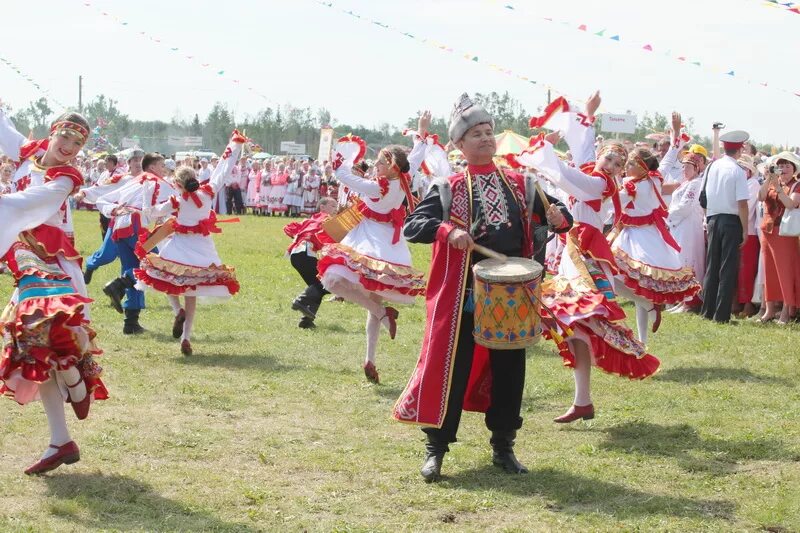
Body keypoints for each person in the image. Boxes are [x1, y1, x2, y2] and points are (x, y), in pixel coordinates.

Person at [393, 94, 571, 482]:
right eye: (477, 134)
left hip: (513, 293)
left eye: (489, 132)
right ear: (459, 144)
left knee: (510, 372)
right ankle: (436, 449)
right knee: (452, 370)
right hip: (464, 296)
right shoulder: (447, 187)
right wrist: (447, 229)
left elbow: (558, 215)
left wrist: (560, 217)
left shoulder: (522, 184)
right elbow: (413, 227)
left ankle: (504, 446)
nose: (487, 139)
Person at [509, 91, 660, 426]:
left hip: (586, 256)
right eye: (608, 158)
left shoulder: (600, 186)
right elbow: (579, 158)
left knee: (581, 319)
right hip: (572, 251)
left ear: (620, 172)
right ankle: (582, 402)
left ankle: (644, 314)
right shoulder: (593, 175)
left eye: (618, 164)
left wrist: (544, 152)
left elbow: (568, 175)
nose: (610, 165)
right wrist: (585, 118)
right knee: (574, 328)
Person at [0, 110, 108, 475]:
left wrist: (3, 206)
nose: (70, 148)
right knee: (35, 352)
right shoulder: (29, 152)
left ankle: (76, 377)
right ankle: (61, 440)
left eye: (78, 143)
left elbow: (34, 202)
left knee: (43, 337)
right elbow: (4, 129)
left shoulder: (66, 176)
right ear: (53, 133)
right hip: (28, 264)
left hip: (53, 266)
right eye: (66, 138)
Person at [319, 119, 431, 385]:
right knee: (372, 299)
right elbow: (417, 155)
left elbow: (343, 176)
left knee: (332, 279)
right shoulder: (406, 177)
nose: (375, 166)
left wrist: (341, 155)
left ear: (390, 166)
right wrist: (421, 133)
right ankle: (370, 358)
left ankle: (381, 316)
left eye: (379, 162)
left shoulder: (377, 186)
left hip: (367, 241)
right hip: (390, 247)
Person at [133, 131, 245, 355]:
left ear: (177, 183)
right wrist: (235, 145)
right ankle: (186, 337)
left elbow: (150, 214)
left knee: (163, 277)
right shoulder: (208, 193)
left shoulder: (176, 200)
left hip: (179, 246)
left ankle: (177, 311)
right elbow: (223, 169)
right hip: (203, 248)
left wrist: (146, 196)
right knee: (191, 291)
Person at [611, 137, 701, 342]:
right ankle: (642, 337)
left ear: (642, 168)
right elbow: (667, 161)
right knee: (638, 289)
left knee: (612, 277)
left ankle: (647, 310)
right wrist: (675, 141)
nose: (627, 166)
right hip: (646, 236)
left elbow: (613, 200)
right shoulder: (653, 179)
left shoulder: (636, 187)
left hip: (637, 239)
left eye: (631, 163)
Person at [96, 153, 177, 333]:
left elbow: (101, 198)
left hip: (120, 226)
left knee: (133, 267)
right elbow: (178, 201)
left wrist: (113, 210)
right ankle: (118, 284)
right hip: (138, 226)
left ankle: (131, 322)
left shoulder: (132, 181)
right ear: (153, 167)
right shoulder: (159, 183)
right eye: (162, 166)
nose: (164, 170)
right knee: (153, 264)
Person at [701, 130, 750, 323]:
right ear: (740, 148)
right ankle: (721, 315)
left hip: (713, 218)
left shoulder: (713, 166)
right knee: (727, 268)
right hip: (730, 221)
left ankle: (708, 310)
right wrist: (745, 230)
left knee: (712, 266)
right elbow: (742, 204)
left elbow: (703, 196)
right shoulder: (737, 170)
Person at [77, 149, 145, 285]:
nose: (138, 163)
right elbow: (102, 189)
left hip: (141, 225)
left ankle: (123, 293)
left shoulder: (149, 179)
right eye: (135, 160)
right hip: (120, 222)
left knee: (136, 259)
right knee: (108, 254)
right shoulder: (122, 179)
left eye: (141, 160)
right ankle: (91, 265)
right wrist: (83, 193)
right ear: (129, 163)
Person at [755, 151, 800, 324]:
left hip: (784, 233)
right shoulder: (774, 182)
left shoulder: (796, 185)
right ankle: (770, 309)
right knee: (769, 271)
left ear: (794, 169)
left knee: (785, 272)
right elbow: (760, 197)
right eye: (780, 166)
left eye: (787, 165)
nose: (783, 169)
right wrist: (769, 179)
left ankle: (787, 311)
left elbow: (791, 203)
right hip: (768, 231)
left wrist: (779, 189)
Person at [284, 197, 338, 328]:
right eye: (333, 206)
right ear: (322, 207)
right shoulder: (326, 219)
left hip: (296, 254)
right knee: (326, 284)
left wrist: (299, 236)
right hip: (306, 253)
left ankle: (306, 321)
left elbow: (289, 227)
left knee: (317, 287)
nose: (335, 209)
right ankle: (301, 301)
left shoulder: (311, 219)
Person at [665, 151, 707, 313]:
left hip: (689, 227)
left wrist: (667, 217)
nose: (685, 170)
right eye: (683, 167)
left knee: (689, 260)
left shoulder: (696, 184)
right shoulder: (685, 183)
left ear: (696, 168)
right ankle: (682, 300)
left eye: (688, 167)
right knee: (680, 260)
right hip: (679, 226)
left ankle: (692, 300)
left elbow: (685, 206)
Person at [736, 155, 761, 318]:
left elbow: (747, 208)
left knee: (746, 269)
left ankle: (747, 304)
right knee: (738, 269)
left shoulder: (752, 184)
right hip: (738, 230)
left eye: (743, 168)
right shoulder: (742, 183)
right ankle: (738, 302)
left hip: (748, 231)